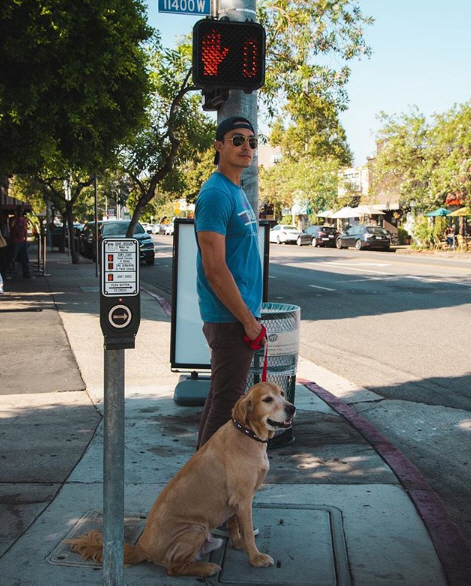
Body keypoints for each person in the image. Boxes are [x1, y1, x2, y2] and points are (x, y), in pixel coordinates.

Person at [194, 116, 265, 450]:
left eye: (252, 141)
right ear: (218, 146)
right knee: (227, 404)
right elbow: (215, 269)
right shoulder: (216, 194)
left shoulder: (234, 191)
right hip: (230, 319)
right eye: (237, 140)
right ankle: (201, 489)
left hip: (237, 317)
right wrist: (248, 322)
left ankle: (197, 482)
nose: (246, 147)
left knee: (219, 397)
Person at [9, 206, 30, 278]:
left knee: (25, 257)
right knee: (12, 257)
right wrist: (16, 218)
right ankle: (7, 270)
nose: (20, 213)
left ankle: (26, 272)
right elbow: (11, 225)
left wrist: (26, 239)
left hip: (22, 240)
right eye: (19, 211)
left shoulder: (24, 220)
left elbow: (25, 229)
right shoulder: (13, 219)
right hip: (15, 241)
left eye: (22, 211)